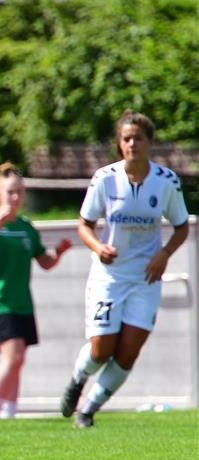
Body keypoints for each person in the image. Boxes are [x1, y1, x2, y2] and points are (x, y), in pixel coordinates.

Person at [59, 111, 189, 428]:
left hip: (145, 278)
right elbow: (84, 224)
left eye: (138, 138)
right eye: (126, 138)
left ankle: (88, 411)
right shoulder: (105, 179)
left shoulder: (167, 181)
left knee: (128, 352)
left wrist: (164, 254)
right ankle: (77, 379)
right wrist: (97, 246)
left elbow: (182, 227)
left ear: (149, 142)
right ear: (120, 143)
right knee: (102, 350)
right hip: (110, 277)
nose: (132, 144)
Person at [0, 163, 71, 420]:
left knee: (19, 360)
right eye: (10, 192)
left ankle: (9, 413)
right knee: (12, 357)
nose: (15, 198)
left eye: (19, 192)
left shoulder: (25, 227)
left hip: (23, 302)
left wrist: (58, 252)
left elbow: (44, 261)